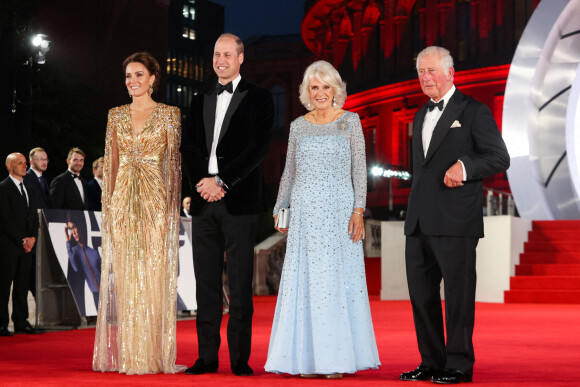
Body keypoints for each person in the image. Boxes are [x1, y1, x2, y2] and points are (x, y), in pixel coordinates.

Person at [400, 46, 510, 384]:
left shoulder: (473, 111)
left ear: (450, 73)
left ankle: (459, 364)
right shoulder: (419, 114)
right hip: (418, 221)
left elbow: (499, 157)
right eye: (421, 72)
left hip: (456, 221)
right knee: (422, 297)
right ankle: (431, 362)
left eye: (432, 71)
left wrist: (465, 166)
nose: (426, 78)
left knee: (459, 298)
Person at [264, 60, 380, 378]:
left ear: (335, 90)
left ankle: (336, 359)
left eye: (325, 86)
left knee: (335, 283)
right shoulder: (298, 126)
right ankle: (309, 359)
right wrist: (280, 207)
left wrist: (359, 210)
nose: (320, 93)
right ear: (306, 91)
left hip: (339, 212)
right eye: (314, 87)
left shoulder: (351, 122)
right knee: (307, 283)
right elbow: (289, 171)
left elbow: (360, 170)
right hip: (305, 213)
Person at [181, 33, 275, 377]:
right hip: (204, 203)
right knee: (204, 283)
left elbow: (258, 148)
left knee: (239, 284)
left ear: (240, 57)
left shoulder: (261, 98)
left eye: (227, 54)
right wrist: (201, 185)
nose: (220, 60)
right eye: (216, 54)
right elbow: (187, 148)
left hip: (240, 203)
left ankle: (239, 358)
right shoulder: (198, 99)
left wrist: (223, 181)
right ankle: (206, 357)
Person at [92, 52, 182, 375]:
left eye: (139, 75)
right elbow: (112, 163)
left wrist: (172, 209)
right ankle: (133, 355)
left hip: (155, 201)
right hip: (122, 201)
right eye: (128, 76)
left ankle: (155, 353)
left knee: (154, 274)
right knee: (129, 277)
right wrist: (110, 206)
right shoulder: (115, 115)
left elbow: (173, 167)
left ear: (153, 78)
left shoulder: (171, 115)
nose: (133, 81)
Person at [0, 153, 43, 336]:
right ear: (10, 166)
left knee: (22, 284)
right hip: (9, 245)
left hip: (27, 246)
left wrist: (33, 237)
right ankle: (2, 323)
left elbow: (33, 216)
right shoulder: (3, 188)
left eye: (25, 163)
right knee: (3, 285)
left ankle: (21, 321)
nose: (24, 166)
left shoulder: (29, 189)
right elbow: (4, 219)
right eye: (20, 163)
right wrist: (21, 239)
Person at [50, 147, 89, 315]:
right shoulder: (60, 180)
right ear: (68, 161)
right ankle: (67, 313)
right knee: (68, 274)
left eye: (81, 160)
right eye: (75, 160)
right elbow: (54, 208)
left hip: (82, 235)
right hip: (66, 235)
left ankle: (81, 310)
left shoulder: (85, 183)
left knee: (82, 273)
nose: (78, 163)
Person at [23, 147, 52, 299]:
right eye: (40, 159)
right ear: (31, 161)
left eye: (45, 159)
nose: (44, 162)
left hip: (44, 232)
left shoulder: (44, 180)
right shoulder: (26, 178)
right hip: (32, 233)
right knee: (31, 273)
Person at [65, 212, 101, 310]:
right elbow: (75, 267)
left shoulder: (93, 250)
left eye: (74, 227)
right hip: (95, 294)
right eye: (70, 229)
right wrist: (68, 242)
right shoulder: (75, 251)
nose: (74, 232)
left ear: (80, 226)